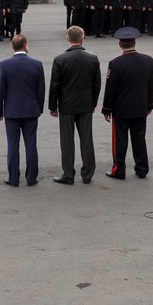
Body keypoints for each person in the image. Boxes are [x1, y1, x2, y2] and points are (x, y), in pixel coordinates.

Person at [101, 27, 153, 180]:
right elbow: (152, 85)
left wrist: (106, 109)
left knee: (120, 141)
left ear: (120, 44)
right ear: (135, 43)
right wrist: (149, 105)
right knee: (139, 139)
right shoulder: (148, 60)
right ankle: (142, 169)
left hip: (121, 109)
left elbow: (110, 89)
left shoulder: (115, 63)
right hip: (140, 107)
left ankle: (119, 170)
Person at [48, 25, 101, 185]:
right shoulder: (92, 58)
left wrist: (52, 107)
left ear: (68, 38)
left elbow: (55, 85)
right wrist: (93, 103)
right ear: (82, 38)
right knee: (86, 140)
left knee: (67, 141)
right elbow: (96, 84)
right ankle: (87, 174)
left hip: (66, 105)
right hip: (85, 104)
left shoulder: (60, 59)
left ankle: (68, 174)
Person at [0, 34, 46, 187]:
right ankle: (31, 177)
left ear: (13, 47)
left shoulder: (5, 65)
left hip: (12, 111)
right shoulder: (37, 64)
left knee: (13, 145)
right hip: (31, 110)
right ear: (25, 46)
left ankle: (13, 178)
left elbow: (0, 91)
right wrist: (39, 108)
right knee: (31, 144)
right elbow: (41, 90)